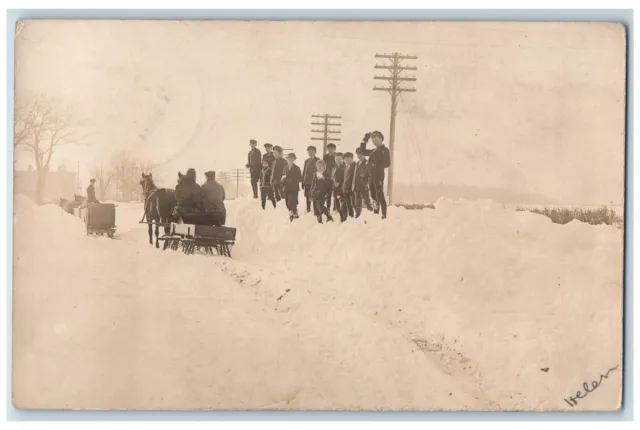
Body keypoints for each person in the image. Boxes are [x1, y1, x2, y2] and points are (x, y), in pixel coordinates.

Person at [359, 131, 391, 219]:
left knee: (379, 195)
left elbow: (387, 163)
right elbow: (362, 151)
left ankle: (384, 215)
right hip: (371, 176)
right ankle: (376, 213)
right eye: (373, 140)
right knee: (373, 196)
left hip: (378, 176)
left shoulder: (385, 150)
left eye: (376, 139)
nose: (374, 142)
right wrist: (365, 140)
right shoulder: (374, 150)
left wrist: (376, 165)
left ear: (381, 139)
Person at [281, 152, 302, 221]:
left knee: (292, 201)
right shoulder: (285, 168)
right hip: (286, 188)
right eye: (289, 158)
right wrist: (283, 181)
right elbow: (282, 178)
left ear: (294, 159)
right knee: (287, 202)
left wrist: (290, 180)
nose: (290, 160)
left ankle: (293, 213)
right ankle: (292, 211)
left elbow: (299, 178)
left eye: (292, 158)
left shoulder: (297, 168)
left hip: (294, 188)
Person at [353, 148, 373, 218]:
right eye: (358, 154)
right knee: (357, 201)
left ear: (365, 155)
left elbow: (370, 175)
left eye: (361, 154)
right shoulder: (357, 163)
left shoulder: (367, 163)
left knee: (366, 200)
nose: (359, 156)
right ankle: (358, 215)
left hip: (364, 185)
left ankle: (372, 214)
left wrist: (366, 182)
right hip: (357, 185)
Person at [302, 145, 320, 214]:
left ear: (315, 152)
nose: (310, 153)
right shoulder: (306, 161)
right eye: (309, 151)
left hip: (314, 182)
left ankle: (316, 211)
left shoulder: (318, 160)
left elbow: (320, 171)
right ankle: (308, 209)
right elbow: (304, 171)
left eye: (312, 151)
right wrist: (303, 181)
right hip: (307, 182)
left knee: (314, 196)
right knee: (307, 196)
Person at [331, 152, 347, 222]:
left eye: (340, 159)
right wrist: (334, 182)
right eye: (336, 159)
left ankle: (344, 218)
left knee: (342, 204)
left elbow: (345, 178)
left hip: (342, 188)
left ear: (342, 159)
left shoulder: (345, 167)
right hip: (335, 188)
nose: (338, 160)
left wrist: (340, 184)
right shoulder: (334, 168)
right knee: (337, 204)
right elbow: (333, 177)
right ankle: (341, 218)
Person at [323, 143, 337, 212]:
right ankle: (328, 208)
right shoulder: (325, 157)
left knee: (336, 193)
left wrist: (334, 175)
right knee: (328, 194)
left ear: (334, 149)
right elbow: (323, 167)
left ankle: (335, 207)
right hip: (327, 177)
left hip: (336, 177)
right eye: (329, 148)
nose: (330, 150)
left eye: (332, 148)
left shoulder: (337, 156)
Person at [342, 152, 356, 218]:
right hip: (346, 188)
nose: (347, 160)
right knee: (348, 204)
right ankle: (351, 217)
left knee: (354, 204)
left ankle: (357, 217)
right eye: (345, 159)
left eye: (348, 158)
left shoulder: (355, 165)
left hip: (352, 188)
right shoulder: (346, 166)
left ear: (352, 158)